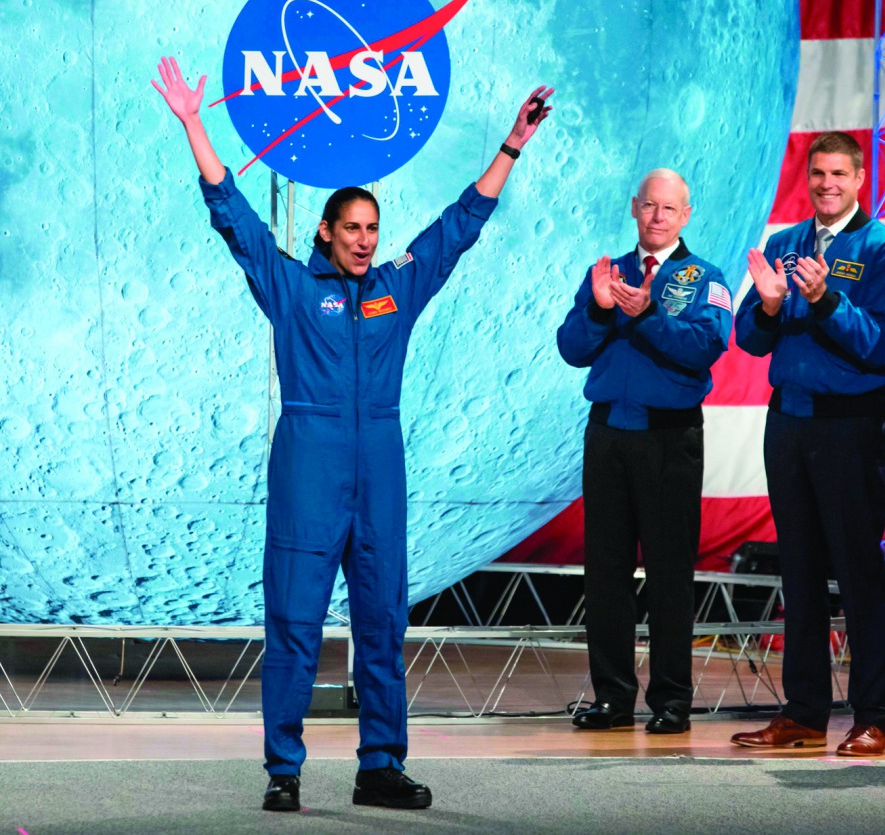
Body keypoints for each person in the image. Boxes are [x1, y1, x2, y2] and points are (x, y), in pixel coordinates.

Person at [152, 56, 551, 811]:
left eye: (374, 228)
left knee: (381, 623)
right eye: (353, 229)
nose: (366, 240)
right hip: (310, 464)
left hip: (381, 468)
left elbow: (458, 228)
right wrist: (193, 124)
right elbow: (234, 219)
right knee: (295, 622)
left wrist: (512, 143)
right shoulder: (295, 291)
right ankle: (284, 771)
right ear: (327, 233)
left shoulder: (397, 289)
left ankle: (380, 768)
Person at [730, 132, 885, 756]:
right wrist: (770, 305)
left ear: (860, 178)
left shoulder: (883, 249)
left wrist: (825, 299)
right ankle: (804, 713)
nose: (827, 184)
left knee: (859, 574)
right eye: (818, 173)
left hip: (850, 426)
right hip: (788, 423)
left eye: (839, 173)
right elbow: (751, 341)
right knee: (800, 570)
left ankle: (873, 717)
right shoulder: (784, 245)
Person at [556, 169, 732, 734]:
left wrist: (648, 316)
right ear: (635, 208)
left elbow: (706, 347)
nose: (657, 217)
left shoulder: (706, 277)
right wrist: (604, 309)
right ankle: (612, 697)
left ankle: (673, 701)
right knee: (604, 571)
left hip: (668, 437)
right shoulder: (608, 273)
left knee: (668, 573)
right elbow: (571, 348)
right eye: (649, 206)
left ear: (686, 214)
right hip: (607, 432)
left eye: (669, 208)